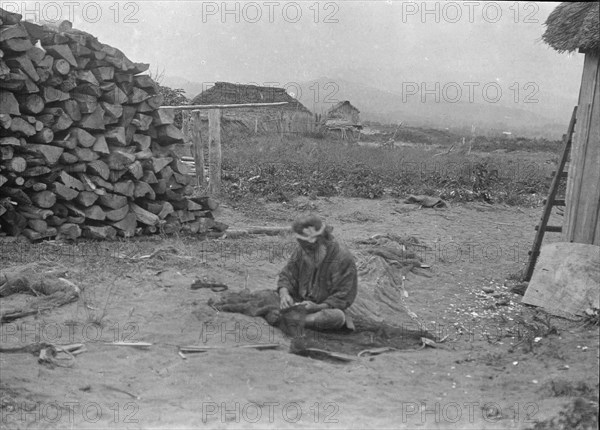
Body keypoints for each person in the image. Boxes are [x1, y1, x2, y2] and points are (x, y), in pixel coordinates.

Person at [276, 215, 358, 331]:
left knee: (336, 317)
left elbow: (342, 297)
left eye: (311, 249)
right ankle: (290, 317)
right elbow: (287, 275)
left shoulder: (342, 258)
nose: (307, 253)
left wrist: (317, 307)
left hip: (323, 309)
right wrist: (284, 294)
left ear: (322, 242)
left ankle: (295, 320)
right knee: (267, 297)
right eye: (306, 249)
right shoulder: (301, 251)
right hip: (298, 303)